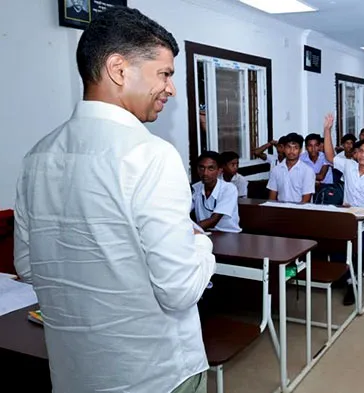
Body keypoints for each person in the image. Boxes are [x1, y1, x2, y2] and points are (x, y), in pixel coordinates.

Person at [13, 7, 214, 392]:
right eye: (165, 74)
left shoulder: (37, 157)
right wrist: (201, 244)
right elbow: (180, 290)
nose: (171, 88)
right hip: (155, 373)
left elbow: (30, 267)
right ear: (119, 69)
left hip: (76, 370)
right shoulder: (151, 155)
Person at [322, 114, 364, 305]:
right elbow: (330, 156)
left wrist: (362, 212)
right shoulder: (349, 166)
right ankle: (344, 274)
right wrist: (327, 130)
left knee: (362, 248)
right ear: (356, 154)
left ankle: (352, 283)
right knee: (335, 243)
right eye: (362, 151)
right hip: (348, 216)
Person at [192, 151, 242, 233]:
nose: (205, 173)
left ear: (219, 171)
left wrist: (187, 230)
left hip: (229, 235)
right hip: (203, 232)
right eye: (201, 168)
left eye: (210, 168)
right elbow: (183, 209)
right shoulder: (195, 188)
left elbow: (214, 220)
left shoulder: (228, 189)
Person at [267, 133, 315, 203]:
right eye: (288, 147)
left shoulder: (307, 171)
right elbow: (272, 197)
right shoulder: (276, 170)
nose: (291, 151)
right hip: (280, 211)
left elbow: (306, 199)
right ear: (284, 149)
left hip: (300, 211)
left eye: (295, 148)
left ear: (300, 150)